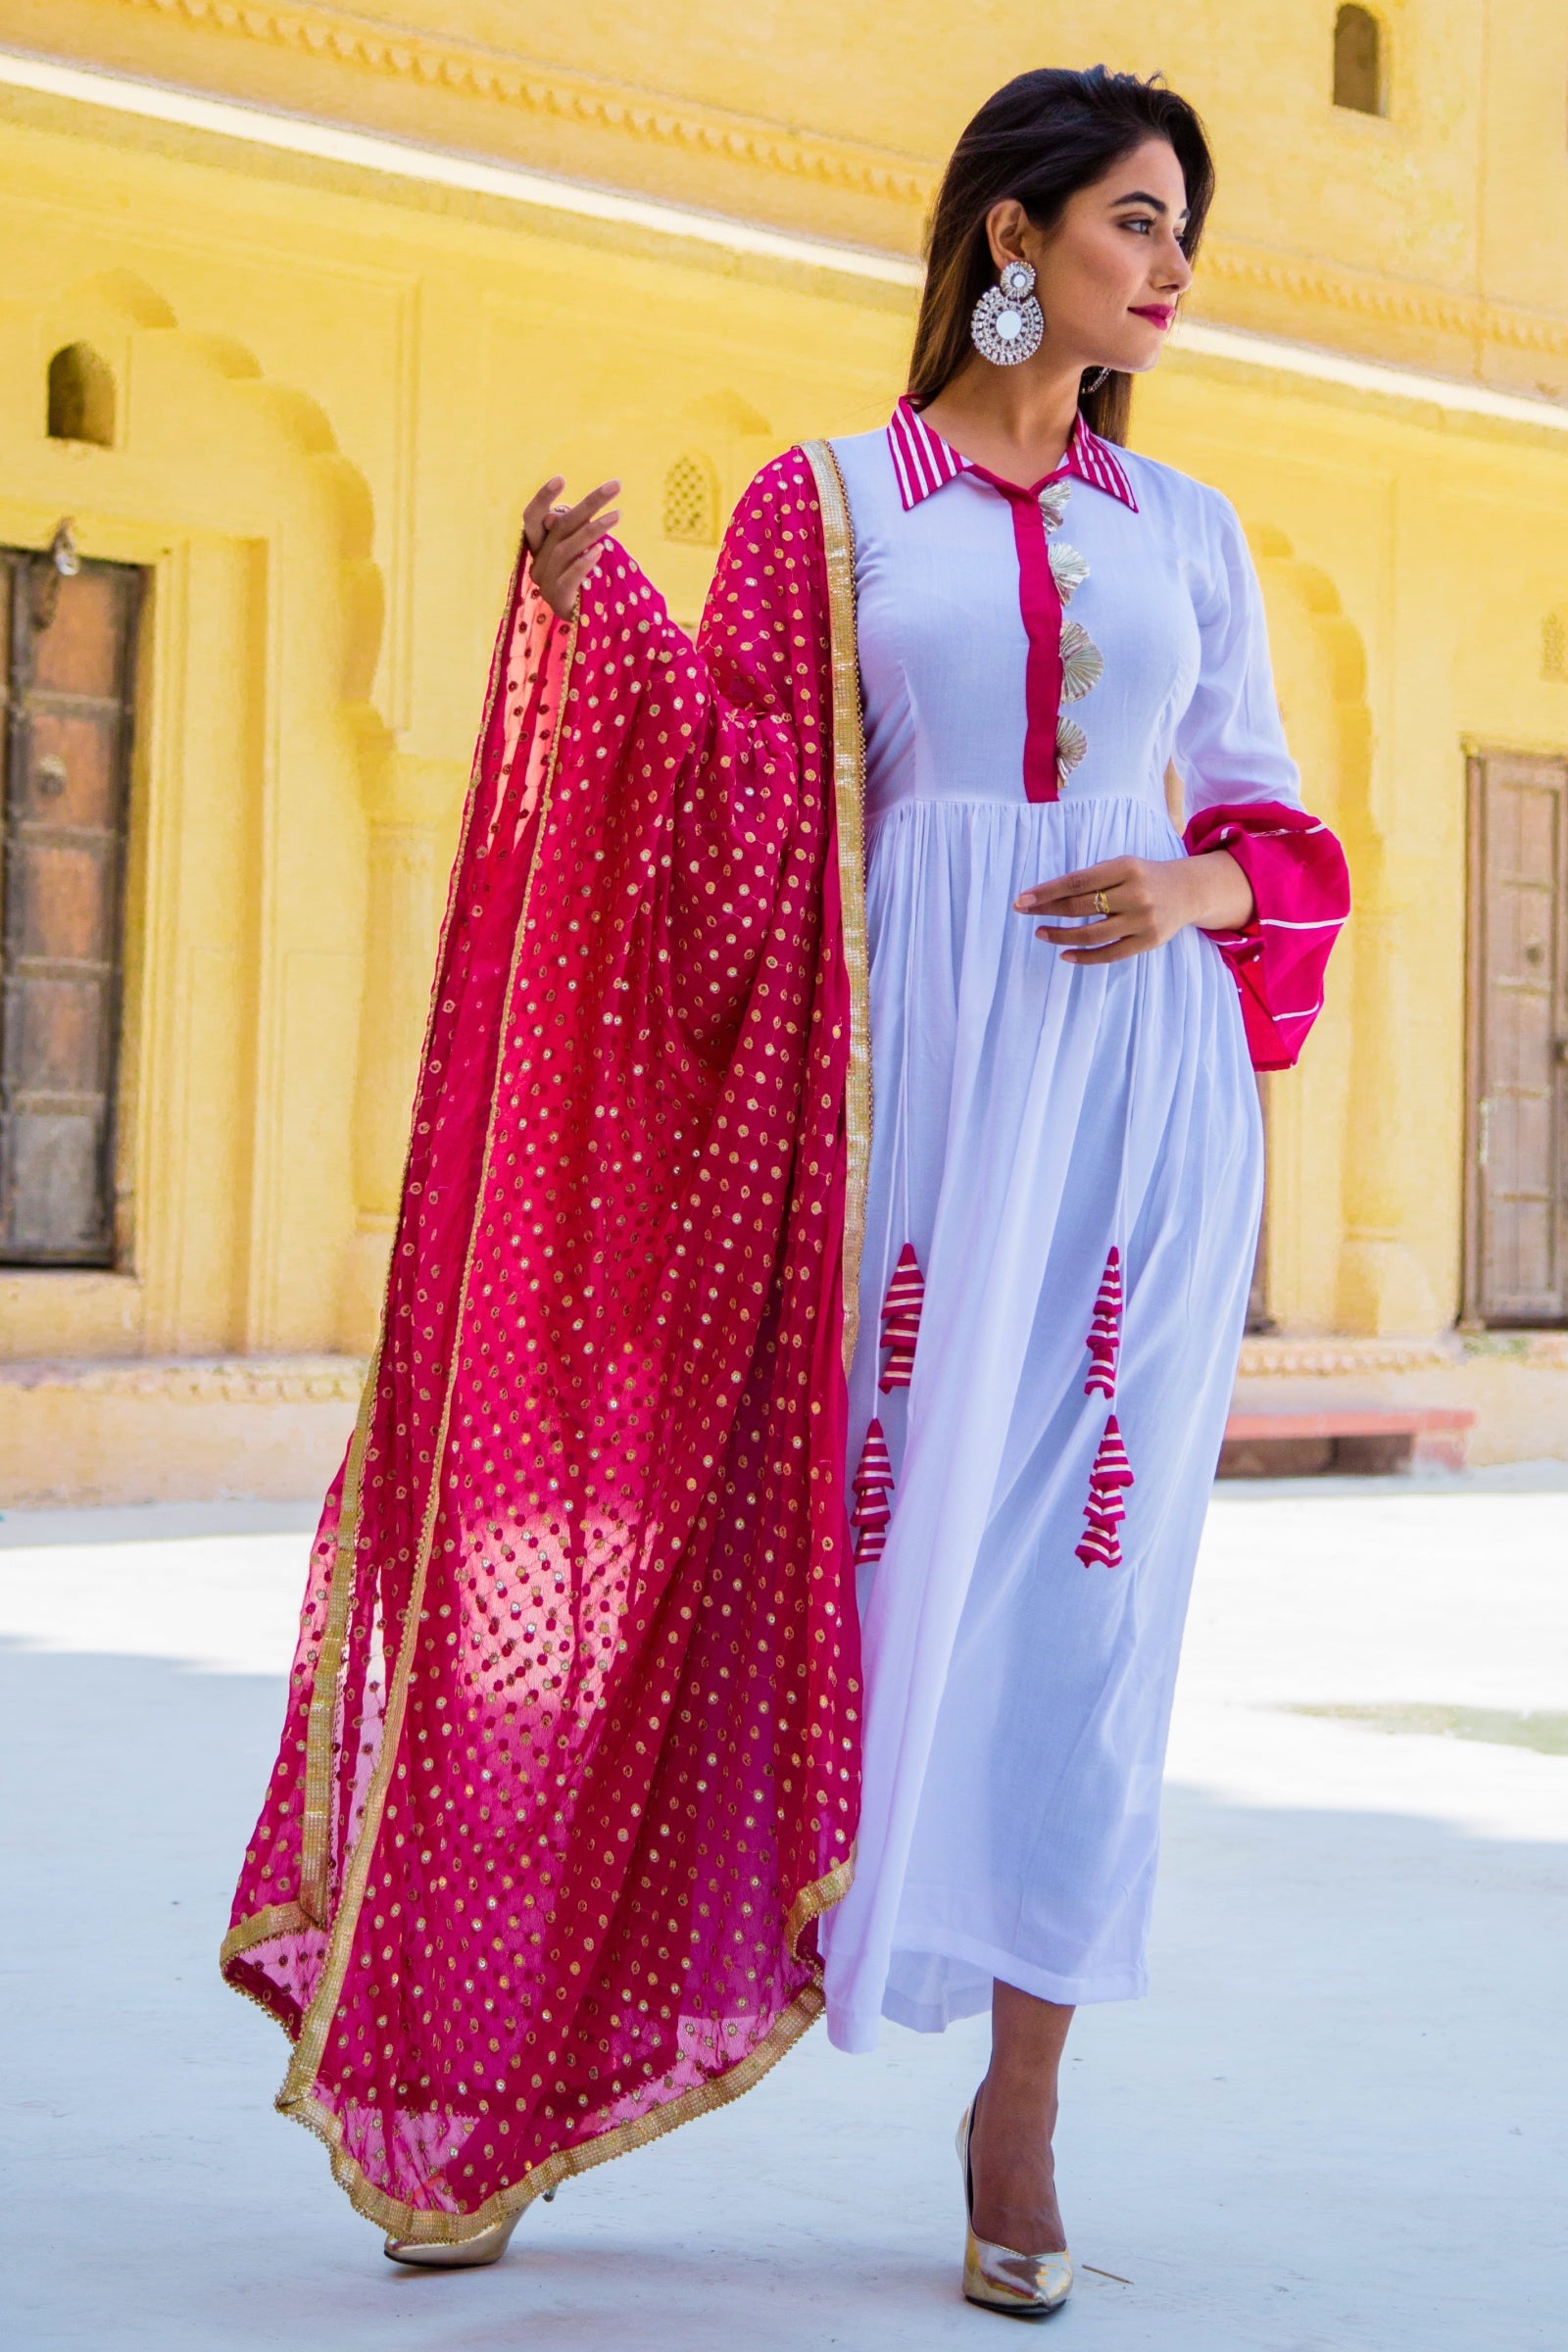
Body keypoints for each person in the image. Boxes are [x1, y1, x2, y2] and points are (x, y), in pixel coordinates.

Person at [222, 65, 1348, 2320]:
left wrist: (1190, 884)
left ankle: (1015, 2112)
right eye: (1134, 220)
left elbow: (1288, 845)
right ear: (1010, 239)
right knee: (755, 1568)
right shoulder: (834, 508)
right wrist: (602, 625)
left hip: (1126, 1123)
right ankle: (540, 2046)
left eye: (1182, 231)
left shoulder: (1187, 534)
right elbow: (735, 813)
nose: (1170, 269)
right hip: (890, 1116)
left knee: (1082, 1611)